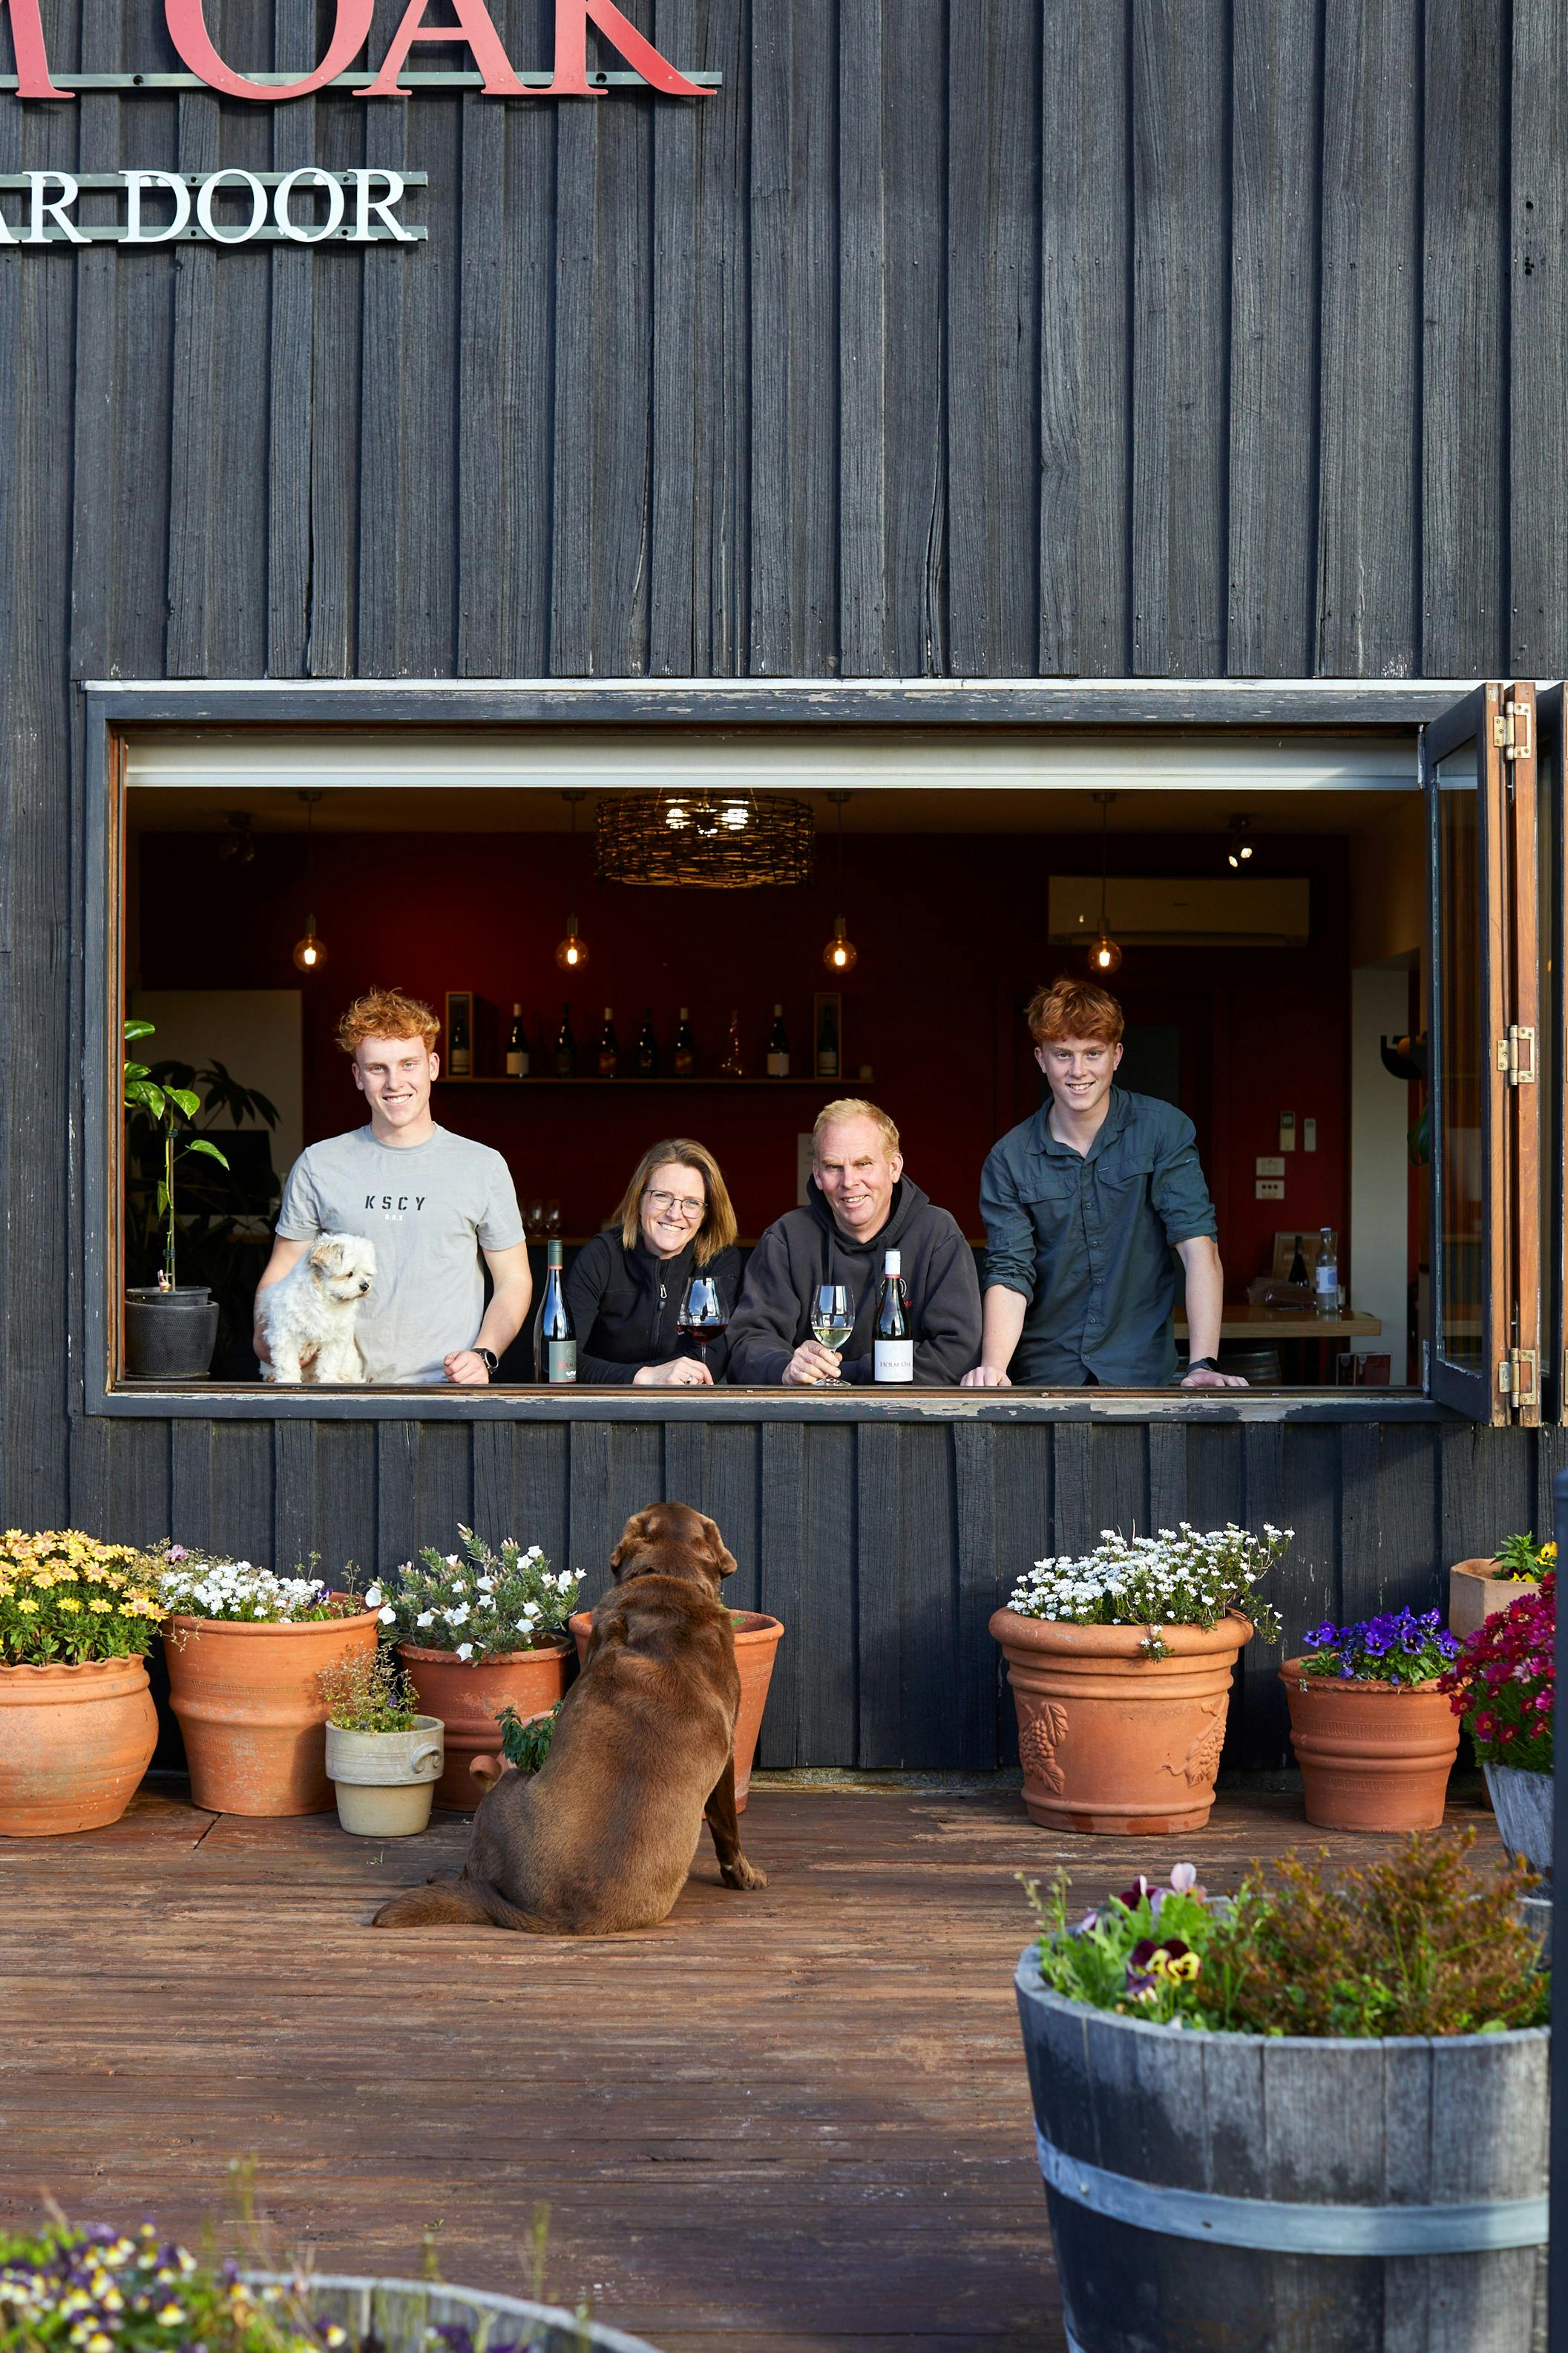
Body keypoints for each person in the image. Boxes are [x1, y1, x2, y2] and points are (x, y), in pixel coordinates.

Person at [962, 978, 1244, 1391]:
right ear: (1041, 1059)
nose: (1078, 1071)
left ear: (1116, 1055)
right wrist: (994, 1367)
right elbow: (1010, 1269)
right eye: (1063, 1055)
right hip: (1044, 1369)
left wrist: (1203, 1363)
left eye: (1093, 1053)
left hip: (1141, 1367)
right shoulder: (1010, 1158)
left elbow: (1198, 1245)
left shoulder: (1163, 1129)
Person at [254, 987, 531, 1386]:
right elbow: (281, 1270)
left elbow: (513, 1278)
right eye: (377, 1068)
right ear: (358, 1076)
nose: (394, 1082)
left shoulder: (482, 1166)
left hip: (446, 1391)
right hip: (338, 1390)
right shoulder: (319, 1164)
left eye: (408, 1064)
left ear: (432, 1066)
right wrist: (267, 1340)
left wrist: (483, 1354)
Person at [726, 1099, 981, 1387]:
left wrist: (848, 1376)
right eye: (834, 1167)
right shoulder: (785, 1238)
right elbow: (747, 1343)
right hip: (807, 1422)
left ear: (894, 1168)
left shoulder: (937, 1234)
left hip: (913, 1421)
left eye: (863, 1164)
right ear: (818, 1175)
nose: (849, 1181)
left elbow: (958, 1352)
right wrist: (785, 1369)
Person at [565, 1139, 743, 1387]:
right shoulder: (602, 1255)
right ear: (639, 1199)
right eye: (662, 1196)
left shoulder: (720, 1260)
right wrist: (645, 1376)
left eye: (691, 1202)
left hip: (686, 1414)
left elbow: (709, 1358)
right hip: (602, 1413)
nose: (674, 1213)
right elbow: (561, 1361)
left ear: (705, 1215)